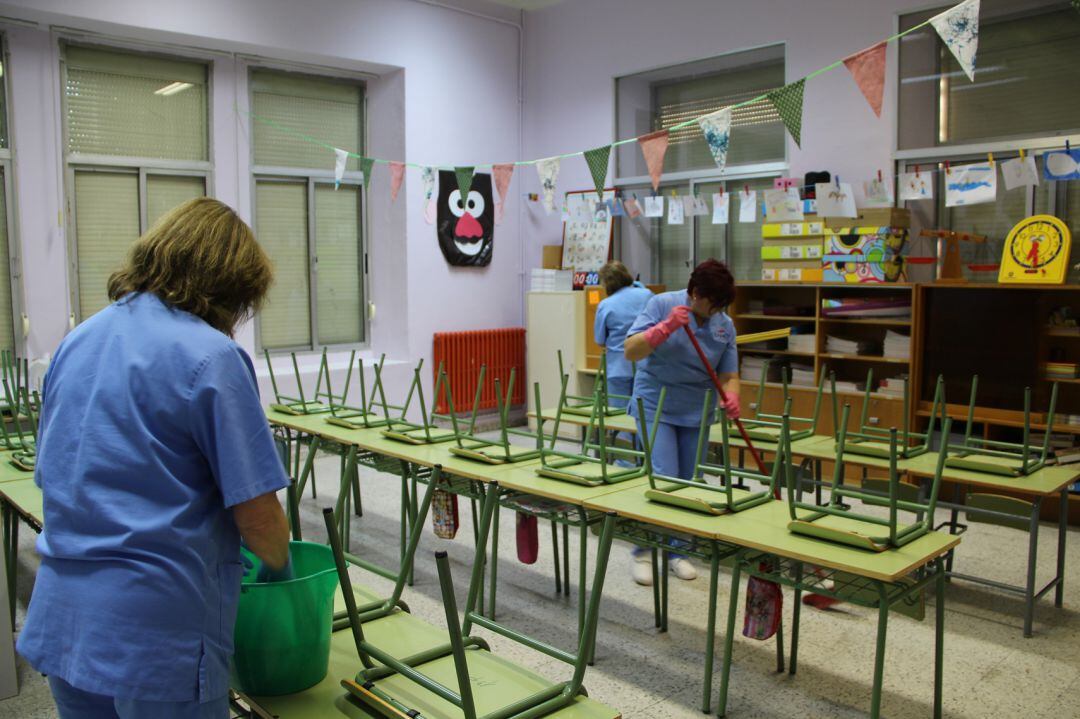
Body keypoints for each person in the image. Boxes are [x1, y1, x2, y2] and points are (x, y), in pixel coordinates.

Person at [17, 198, 292, 719]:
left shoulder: (77, 341)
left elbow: (54, 471)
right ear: (228, 287)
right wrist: (283, 575)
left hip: (67, 619)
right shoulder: (211, 357)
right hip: (157, 634)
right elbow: (259, 516)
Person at [623, 259, 740, 585]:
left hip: (696, 409)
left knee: (690, 482)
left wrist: (732, 395)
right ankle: (644, 550)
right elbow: (631, 350)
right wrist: (665, 328)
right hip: (656, 403)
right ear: (694, 292)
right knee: (665, 477)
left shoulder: (724, 325)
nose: (715, 310)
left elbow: (730, 374)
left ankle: (679, 551)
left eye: (721, 305)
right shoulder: (661, 304)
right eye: (711, 302)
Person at [593, 261, 652, 408]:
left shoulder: (606, 305)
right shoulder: (647, 295)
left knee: (619, 417)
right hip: (646, 364)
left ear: (607, 283)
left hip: (618, 367)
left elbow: (600, 340)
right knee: (644, 416)